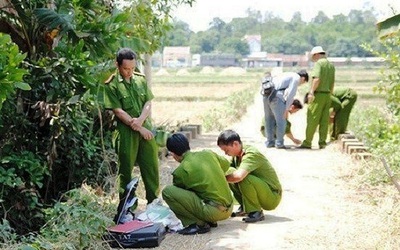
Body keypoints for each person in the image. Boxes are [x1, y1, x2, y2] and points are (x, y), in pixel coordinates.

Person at [103, 48, 159, 206]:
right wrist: (139, 127)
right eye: (126, 68)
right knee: (126, 171)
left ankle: (153, 204)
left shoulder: (140, 79)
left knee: (151, 167)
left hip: (145, 128)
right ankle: (127, 207)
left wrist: (141, 120)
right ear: (117, 65)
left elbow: (148, 102)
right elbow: (118, 111)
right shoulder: (112, 85)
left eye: (133, 68)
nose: (129, 72)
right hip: (126, 132)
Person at [162, 133, 233, 235]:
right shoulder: (208, 153)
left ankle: (197, 224)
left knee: (167, 191)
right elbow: (226, 165)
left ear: (173, 154)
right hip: (229, 208)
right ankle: (210, 220)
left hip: (213, 212)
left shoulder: (180, 171)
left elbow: (184, 196)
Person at [217, 129, 282, 223]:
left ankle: (255, 211)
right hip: (263, 191)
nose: (226, 153)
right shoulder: (237, 155)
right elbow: (227, 170)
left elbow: (239, 176)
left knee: (242, 178)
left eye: (226, 150)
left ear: (235, 144)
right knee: (230, 172)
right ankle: (245, 207)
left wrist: (220, 179)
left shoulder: (251, 154)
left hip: (272, 196)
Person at [299, 46, 335, 149]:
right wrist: (330, 95)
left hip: (318, 95)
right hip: (327, 95)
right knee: (324, 120)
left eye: (313, 57)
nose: (313, 59)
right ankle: (322, 142)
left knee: (312, 118)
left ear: (317, 54)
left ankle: (307, 142)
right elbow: (332, 82)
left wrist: (311, 92)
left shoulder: (319, 64)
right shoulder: (331, 65)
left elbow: (317, 79)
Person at [262, 70, 308, 149]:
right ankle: (279, 143)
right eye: (303, 82)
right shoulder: (296, 78)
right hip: (276, 97)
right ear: (303, 78)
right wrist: (286, 109)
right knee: (281, 121)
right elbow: (291, 94)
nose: (301, 84)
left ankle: (270, 142)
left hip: (265, 95)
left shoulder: (286, 74)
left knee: (269, 119)